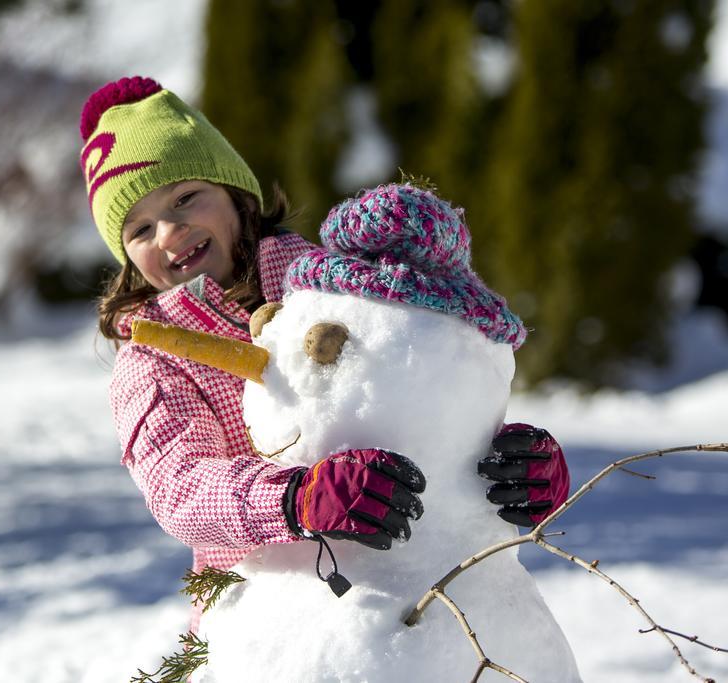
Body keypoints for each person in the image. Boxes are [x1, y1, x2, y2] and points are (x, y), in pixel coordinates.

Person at [79, 76, 569, 624]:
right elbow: (181, 485)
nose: (169, 233)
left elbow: (427, 379)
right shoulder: (153, 363)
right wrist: (297, 498)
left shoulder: (337, 284)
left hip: (428, 582)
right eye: (140, 229)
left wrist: (501, 458)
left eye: (185, 198)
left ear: (237, 194)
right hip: (268, 608)